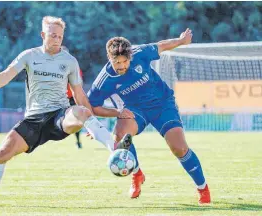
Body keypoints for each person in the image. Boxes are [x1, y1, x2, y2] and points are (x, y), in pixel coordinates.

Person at [0, 16, 129, 207]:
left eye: (60, 36)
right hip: (33, 120)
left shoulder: (69, 61)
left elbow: (79, 94)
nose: (57, 39)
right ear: (43, 35)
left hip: (59, 115)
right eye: (52, 36)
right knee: (1, 153)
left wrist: (90, 121)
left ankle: (114, 148)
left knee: (81, 111)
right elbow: (5, 76)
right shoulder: (29, 55)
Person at [87, 28, 211, 204]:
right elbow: (92, 106)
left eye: (125, 61)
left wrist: (181, 41)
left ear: (130, 56)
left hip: (163, 104)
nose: (122, 66)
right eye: (117, 63)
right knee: (120, 136)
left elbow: (161, 46)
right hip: (136, 110)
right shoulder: (104, 80)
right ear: (110, 59)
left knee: (179, 148)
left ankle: (203, 188)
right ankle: (136, 174)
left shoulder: (140, 53)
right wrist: (110, 116)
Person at [62, 45, 84, 149]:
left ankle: (78, 141)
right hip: (59, 98)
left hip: (71, 97)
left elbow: (79, 82)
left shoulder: (73, 65)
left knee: (76, 119)